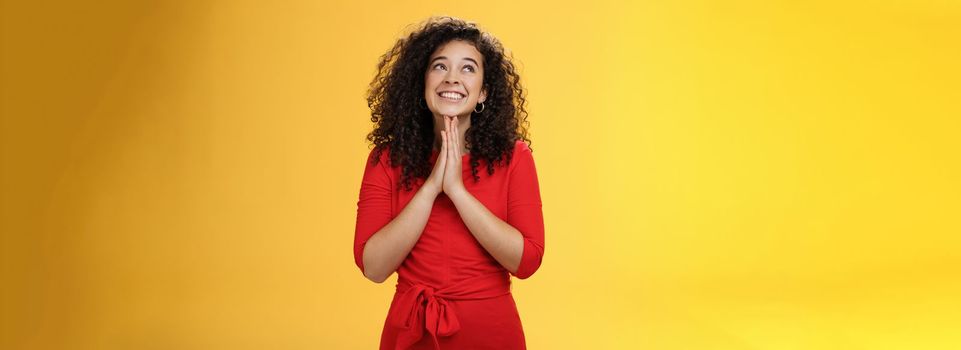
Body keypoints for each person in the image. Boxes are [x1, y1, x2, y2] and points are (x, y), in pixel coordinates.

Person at [354, 16, 545, 350]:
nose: (452, 78)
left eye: (468, 68)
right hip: (411, 331)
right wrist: (431, 188)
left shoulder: (515, 158)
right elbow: (373, 267)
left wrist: (456, 191)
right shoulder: (385, 160)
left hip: (491, 332)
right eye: (439, 66)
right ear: (422, 82)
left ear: (484, 91)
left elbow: (526, 261)